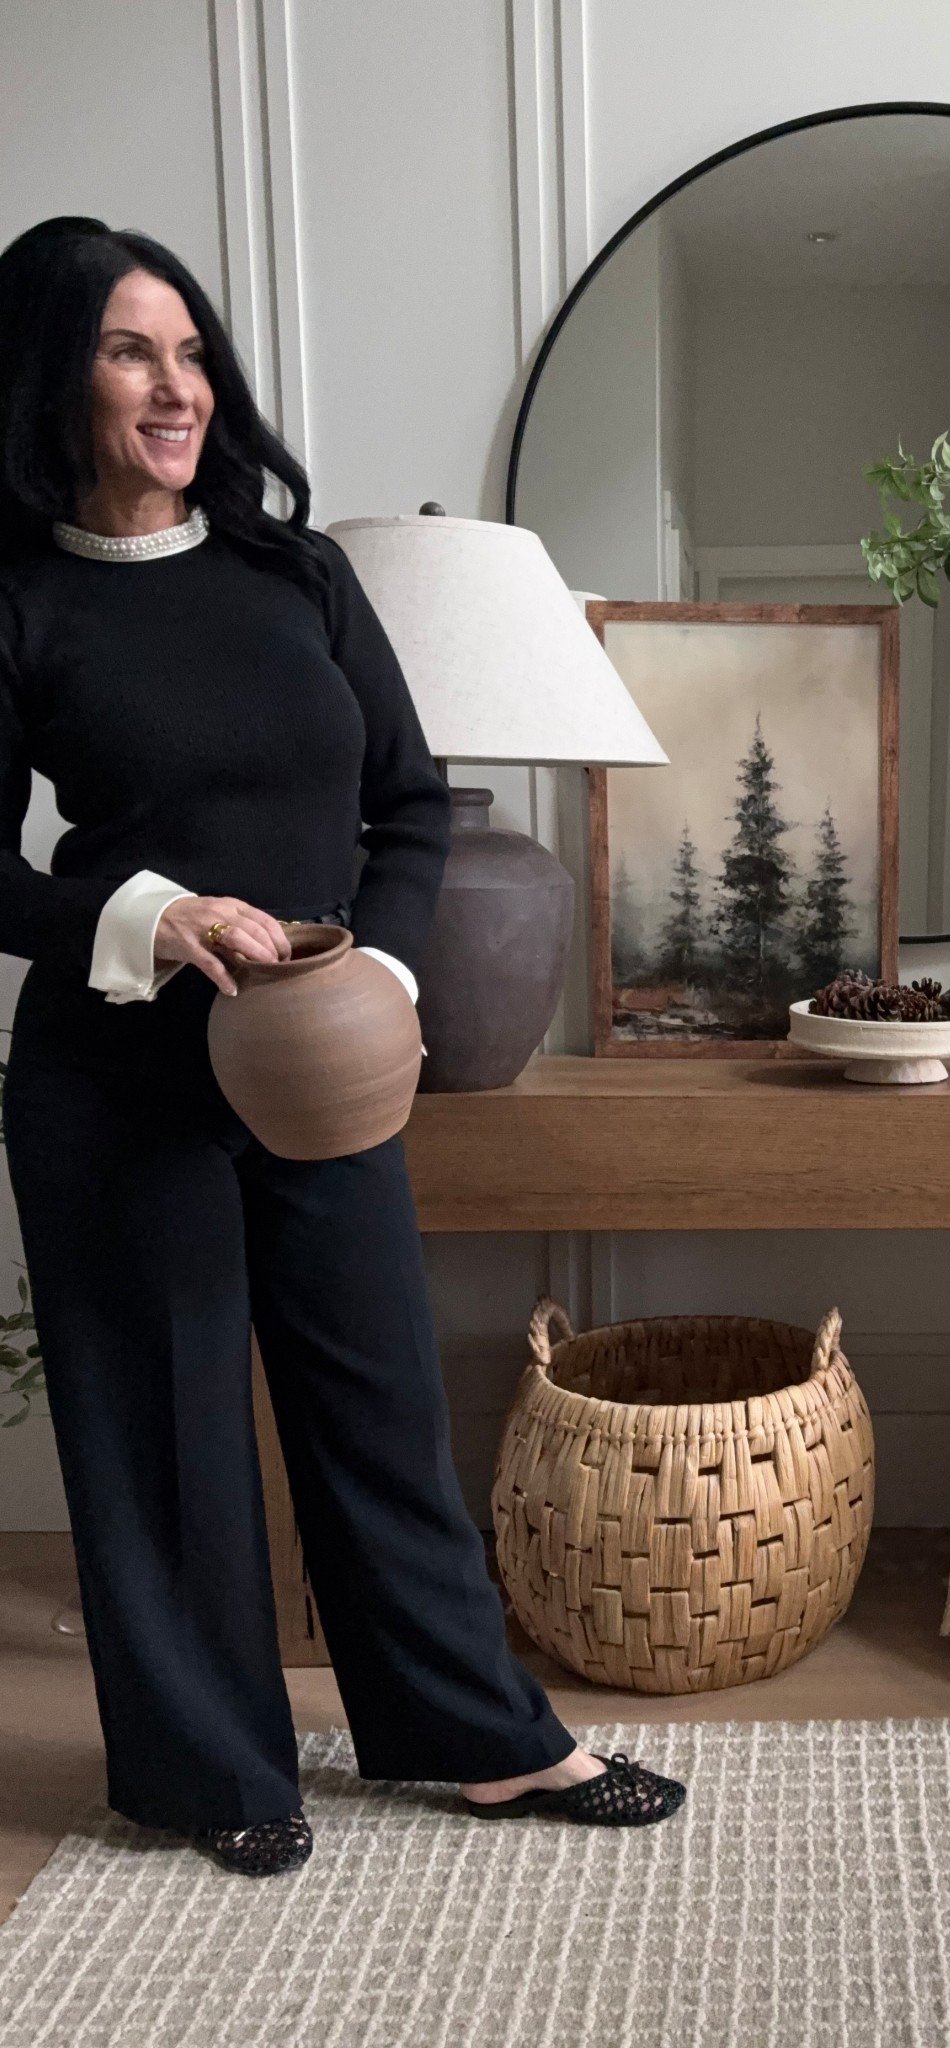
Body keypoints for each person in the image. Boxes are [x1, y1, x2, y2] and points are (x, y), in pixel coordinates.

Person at [0, 217, 684, 1877]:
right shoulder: (15, 602)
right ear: (50, 378)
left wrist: (369, 973)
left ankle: (475, 1739)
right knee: (161, 1424)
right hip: (117, 1077)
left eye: (189, 349)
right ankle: (209, 1770)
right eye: (127, 351)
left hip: (323, 1066)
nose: (177, 388)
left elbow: (401, 805)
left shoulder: (297, 575)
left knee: (374, 1397)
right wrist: (149, 917)